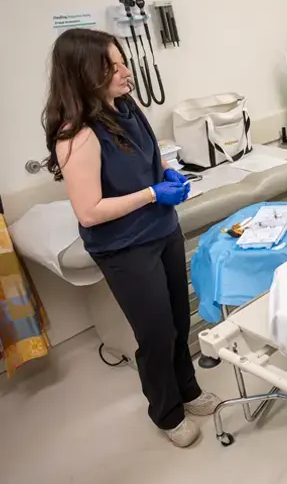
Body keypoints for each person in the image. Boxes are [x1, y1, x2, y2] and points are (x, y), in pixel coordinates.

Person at [43, 28, 221, 448]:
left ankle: (189, 390)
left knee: (179, 320)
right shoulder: (77, 134)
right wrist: (151, 193)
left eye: (124, 62)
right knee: (156, 333)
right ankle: (166, 412)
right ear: (85, 74)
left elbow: (150, 153)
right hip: (124, 247)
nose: (126, 72)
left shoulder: (127, 105)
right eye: (114, 66)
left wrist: (166, 174)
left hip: (162, 230)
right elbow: (89, 211)